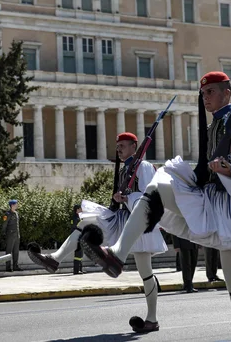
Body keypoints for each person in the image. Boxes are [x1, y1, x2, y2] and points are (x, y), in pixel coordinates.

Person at [82, 72, 231, 342]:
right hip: (209, 199)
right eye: (204, 93)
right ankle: (116, 254)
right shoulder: (216, 126)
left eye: (211, 92)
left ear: (227, 93)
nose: (205, 97)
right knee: (155, 191)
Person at [28, 132, 168, 333]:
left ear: (134, 147)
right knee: (85, 222)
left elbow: (150, 196)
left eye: (123, 145)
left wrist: (126, 198)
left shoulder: (143, 167)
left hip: (138, 223)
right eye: (117, 145)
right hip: (122, 218)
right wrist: (118, 198)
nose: (118, 149)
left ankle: (152, 319)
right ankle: (55, 259)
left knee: (146, 273)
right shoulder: (125, 168)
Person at [3, 199, 21, 272]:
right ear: (12, 205)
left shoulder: (16, 213)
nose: (17, 205)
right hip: (10, 235)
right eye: (16, 204)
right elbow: (4, 225)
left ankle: (15, 266)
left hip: (16, 235)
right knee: (9, 251)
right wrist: (4, 234)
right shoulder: (7, 214)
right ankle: (8, 267)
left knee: (16, 251)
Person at [71, 204, 84, 275]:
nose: (81, 210)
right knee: (78, 255)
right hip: (77, 238)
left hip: (80, 237)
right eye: (80, 209)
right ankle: (76, 271)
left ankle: (80, 269)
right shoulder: (75, 218)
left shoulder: (79, 217)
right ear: (77, 210)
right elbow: (74, 227)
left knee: (80, 254)